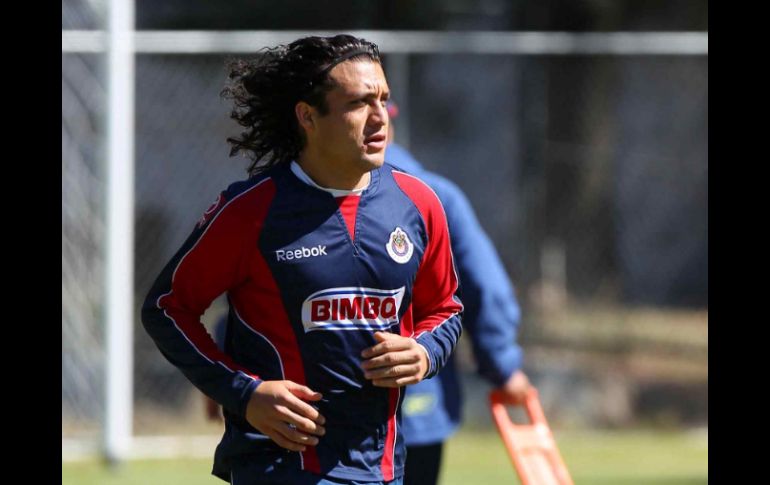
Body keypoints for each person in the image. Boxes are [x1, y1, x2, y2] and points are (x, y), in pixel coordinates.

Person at [140, 35, 463, 485]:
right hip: (277, 466)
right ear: (308, 116)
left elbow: (445, 309)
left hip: (381, 468)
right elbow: (167, 308)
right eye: (359, 103)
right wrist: (245, 392)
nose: (379, 118)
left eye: (384, 100)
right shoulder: (250, 211)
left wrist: (424, 352)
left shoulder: (419, 203)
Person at [383, 102, 531, 485]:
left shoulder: (435, 198)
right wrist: (503, 366)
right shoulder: (440, 195)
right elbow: (485, 285)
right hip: (417, 407)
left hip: (343, 410)